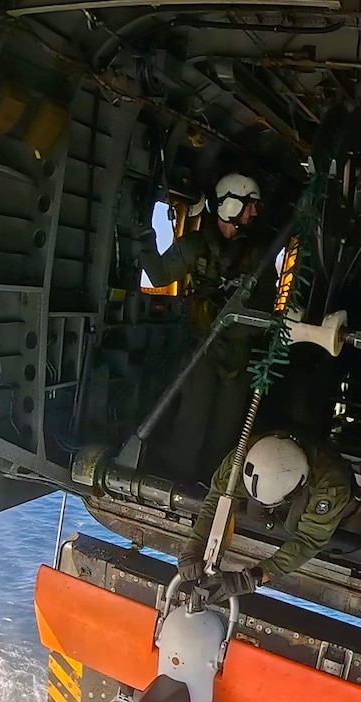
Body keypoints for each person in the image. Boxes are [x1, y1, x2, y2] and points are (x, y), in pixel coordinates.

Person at [136, 173, 275, 480]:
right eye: (250, 206)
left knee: (226, 432)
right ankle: (174, 482)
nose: (254, 213)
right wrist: (144, 236)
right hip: (201, 349)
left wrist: (233, 324)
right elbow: (160, 275)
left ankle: (211, 488)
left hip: (236, 356)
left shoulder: (259, 257)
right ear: (231, 206)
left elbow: (267, 312)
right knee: (191, 421)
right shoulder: (197, 245)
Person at [177, 433, 354, 601]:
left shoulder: (332, 483)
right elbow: (218, 498)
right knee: (254, 513)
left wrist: (255, 577)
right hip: (279, 485)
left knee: (293, 523)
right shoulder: (244, 455)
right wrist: (194, 546)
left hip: (323, 497)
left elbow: (309, 539)